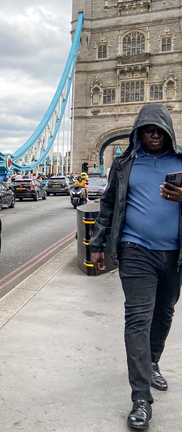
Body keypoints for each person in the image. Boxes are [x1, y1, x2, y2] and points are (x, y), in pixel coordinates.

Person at [90, 104, 182, 430]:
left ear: (168, 131)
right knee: (137, 320)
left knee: (164, 314)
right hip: (135, 250)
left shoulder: (181, 162)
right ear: (138, 132)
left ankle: (153, 362)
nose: (154, 135)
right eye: (148, 130)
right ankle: (140, 398)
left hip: (174, 255)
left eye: (159, 130)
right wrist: (97, 245)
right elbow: (109, 204)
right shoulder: (125, 162)